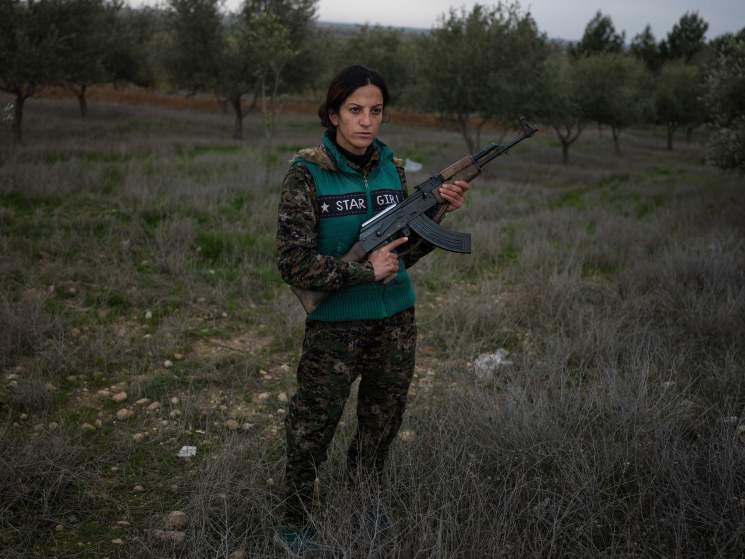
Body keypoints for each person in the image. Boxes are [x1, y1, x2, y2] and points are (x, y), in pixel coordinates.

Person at [275, 64, 469, 547]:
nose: (366, 121)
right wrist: (365, 272)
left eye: (375, 111)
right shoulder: (306, 175)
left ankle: (363, 508)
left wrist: (437, 211)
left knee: (381, 425)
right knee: (312, 426)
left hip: (395, 322)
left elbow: (404, 253)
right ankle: (294, 522)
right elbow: (294, 265)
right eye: (355, 110)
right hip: (336, 326)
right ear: (333, 114)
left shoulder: (392, 169)